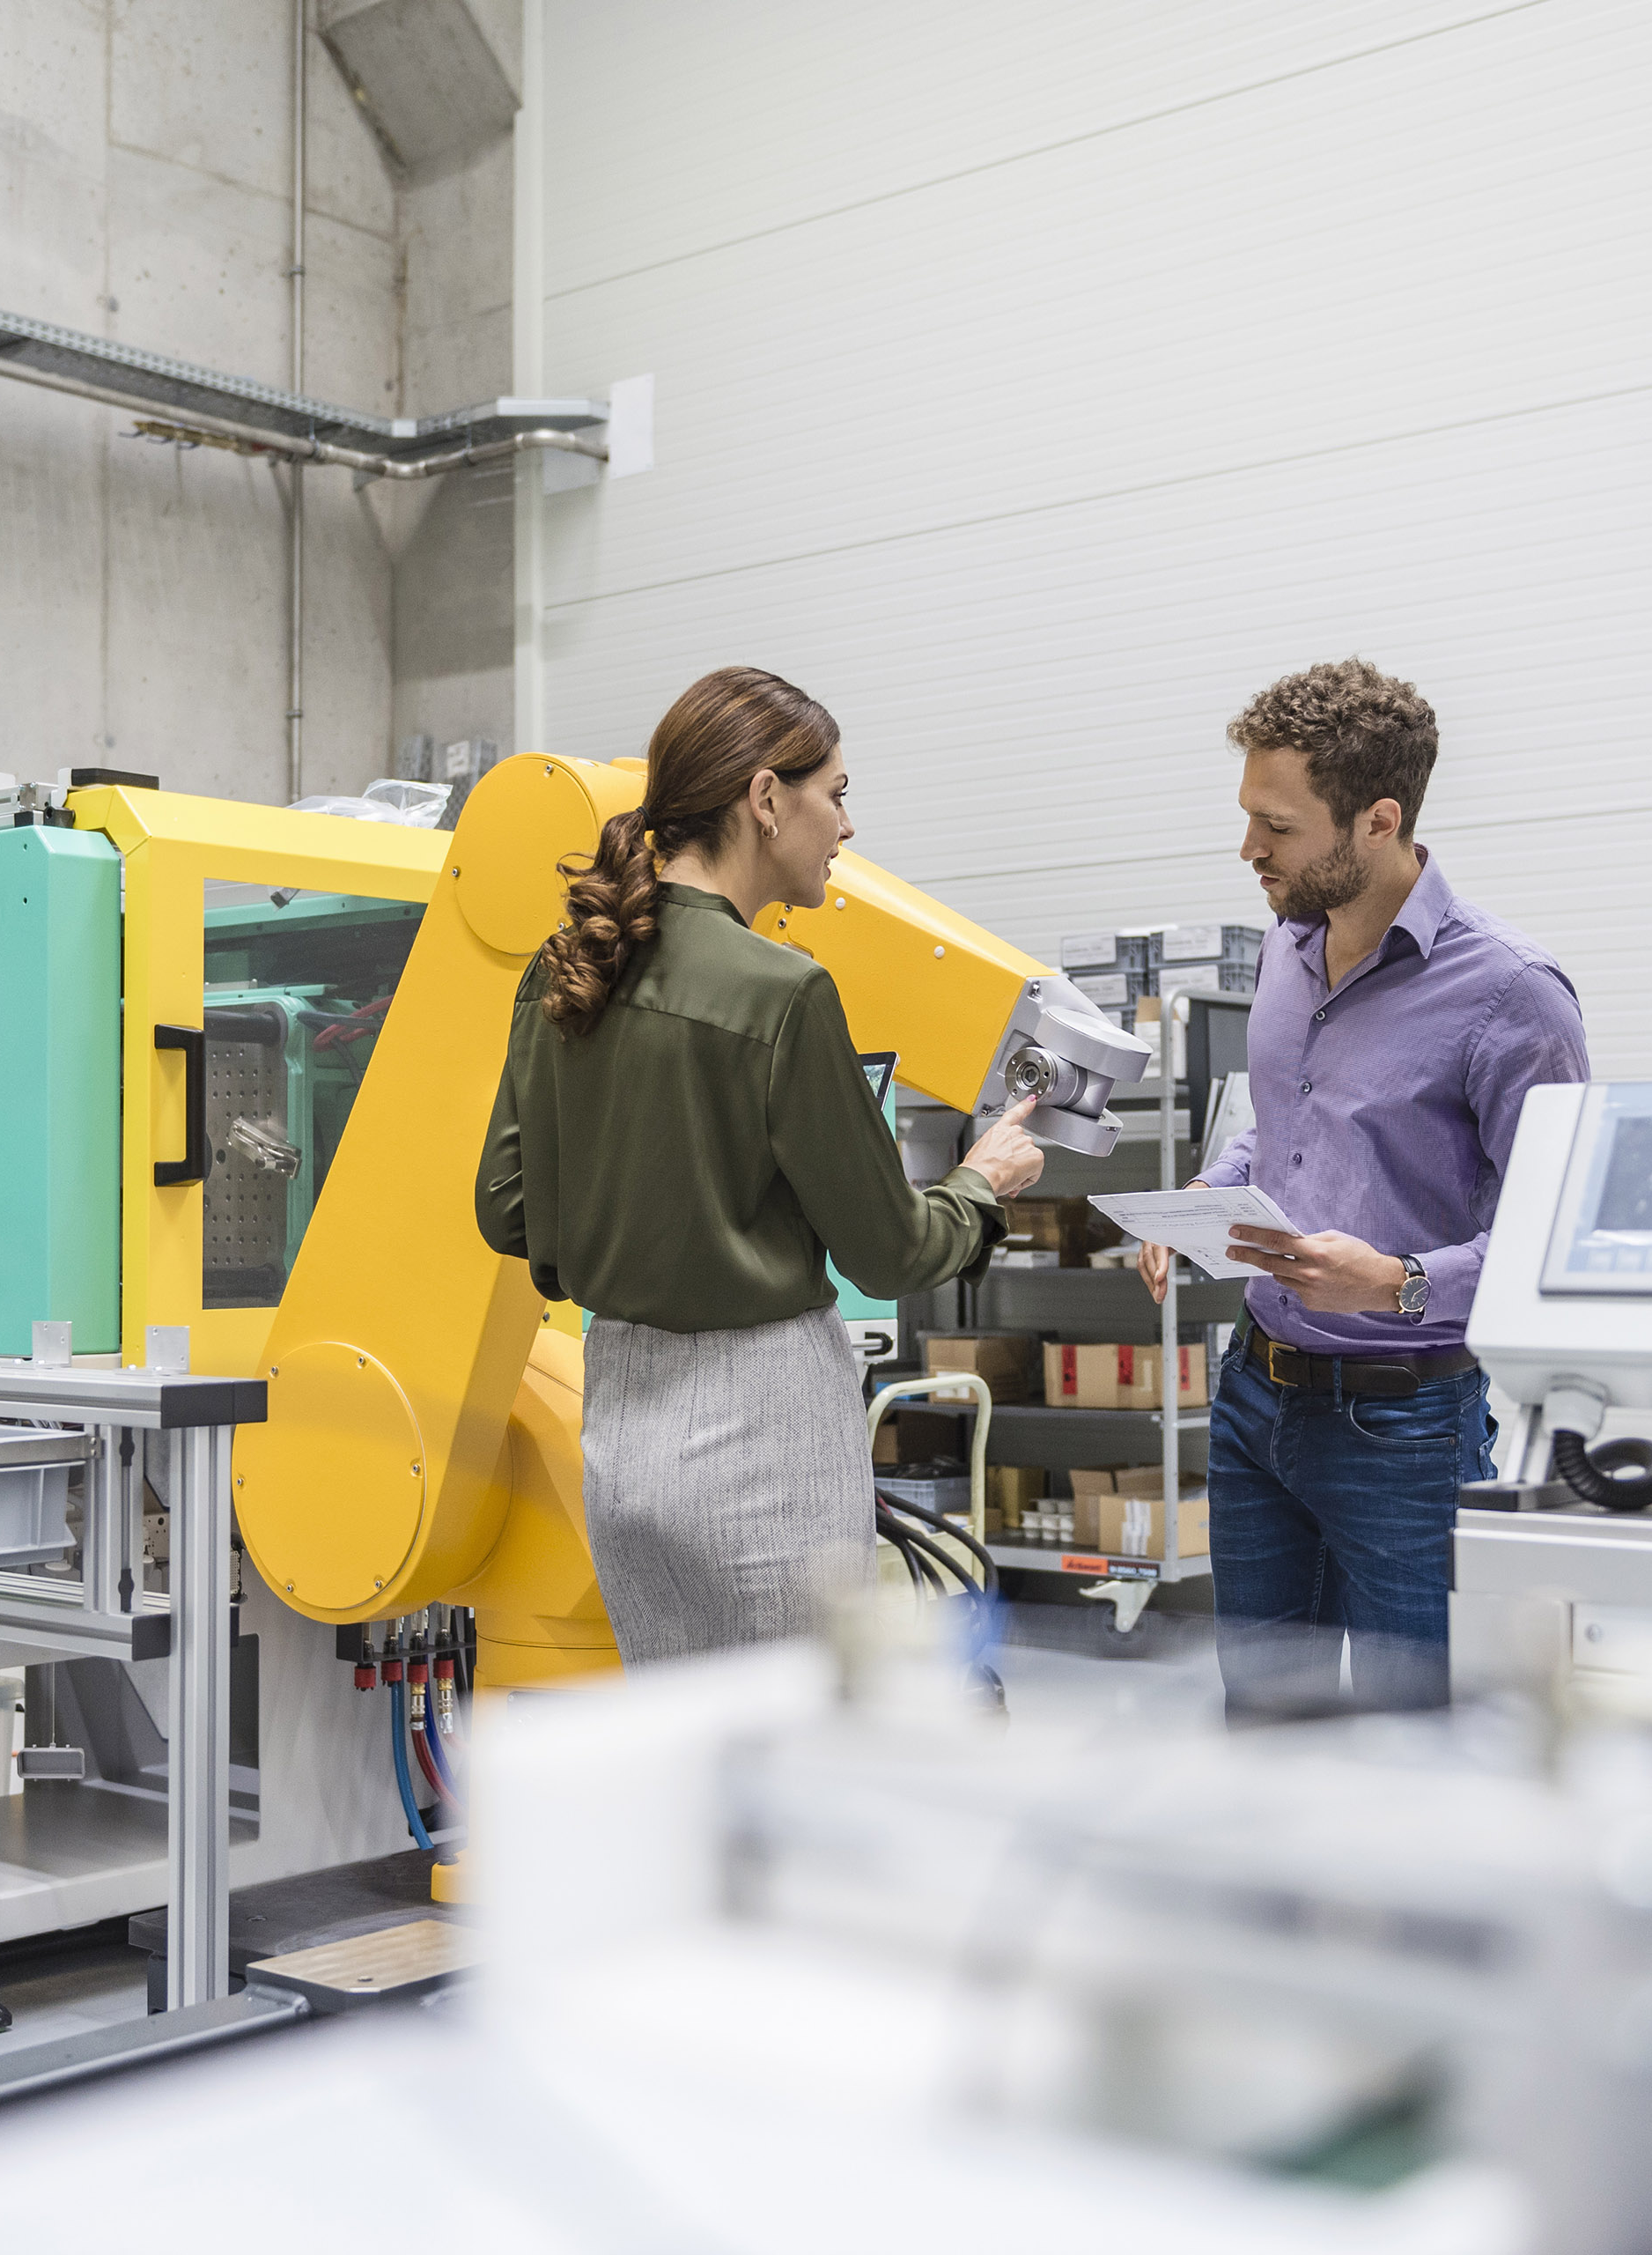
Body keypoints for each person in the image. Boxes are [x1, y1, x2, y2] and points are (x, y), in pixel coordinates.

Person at [476, 666, 1051, 1665]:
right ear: (765, 798)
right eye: (835, 793)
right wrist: (982, 1182)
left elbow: (508, 1209)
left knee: (687, 1739)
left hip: (620, 1420)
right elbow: (893, 1251)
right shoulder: (785, 991)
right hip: (763, 1428)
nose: (846, 825)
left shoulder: (566, 968)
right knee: (791, 1755)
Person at [1139, 659, 1588, 1713]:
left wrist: (1395, 1282)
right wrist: (1213, 1189)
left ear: (1378, 819)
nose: (1249, 848)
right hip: (1254, 1400)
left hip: (1408, 1432)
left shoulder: (1514, 996)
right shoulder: (1287, 951)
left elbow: (1553, 1241)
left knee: (1417, 1748)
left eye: (1278, 826)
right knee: (1263, 1723)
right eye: (1249, 816)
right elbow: (1286, 1134)